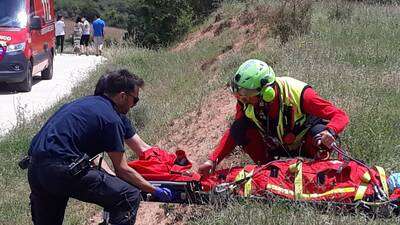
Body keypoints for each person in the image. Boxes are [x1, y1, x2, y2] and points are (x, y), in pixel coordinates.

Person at [27, 69, 172, 225]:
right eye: (135, 100)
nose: (133, 106)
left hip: (35, 169)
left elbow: (89, 154)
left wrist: (112, 180)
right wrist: (153, 190)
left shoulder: (83, 104)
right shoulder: (111, 119)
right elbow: (122, 170)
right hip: (61, 170)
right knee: (129, 196)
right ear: (123, 96)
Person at [198, 59, 350, 174]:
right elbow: (234, 132)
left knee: (319, 135)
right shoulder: (245, 103)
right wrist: (213, 160)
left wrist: (330, 131)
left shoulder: (301, 94)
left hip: (305, 142)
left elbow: (340, 115)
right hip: (275, 145)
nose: (242, 99)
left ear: (267, 92)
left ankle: (320, 172)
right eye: (239, 94)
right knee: (241, 128)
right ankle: (267, 170)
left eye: (247, 95)